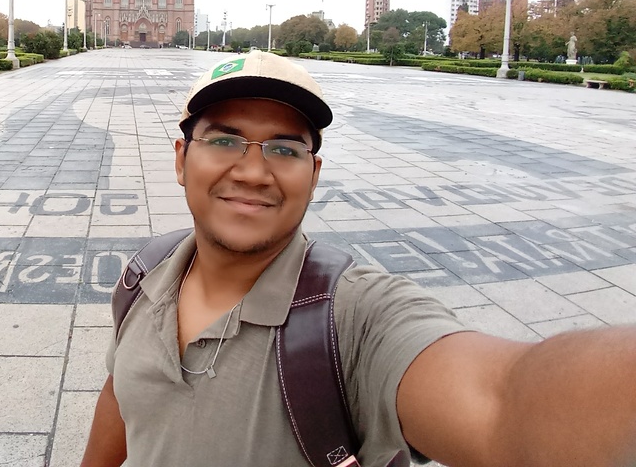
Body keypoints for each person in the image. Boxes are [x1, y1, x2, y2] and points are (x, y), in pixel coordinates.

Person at [81, 51, 636, 467]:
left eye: (284, 148)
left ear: (314, 174)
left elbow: (504, 401)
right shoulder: (145, 274)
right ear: (181, 159)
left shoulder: (352, 318)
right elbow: (124, 393)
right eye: (224, 141)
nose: (252, 171)